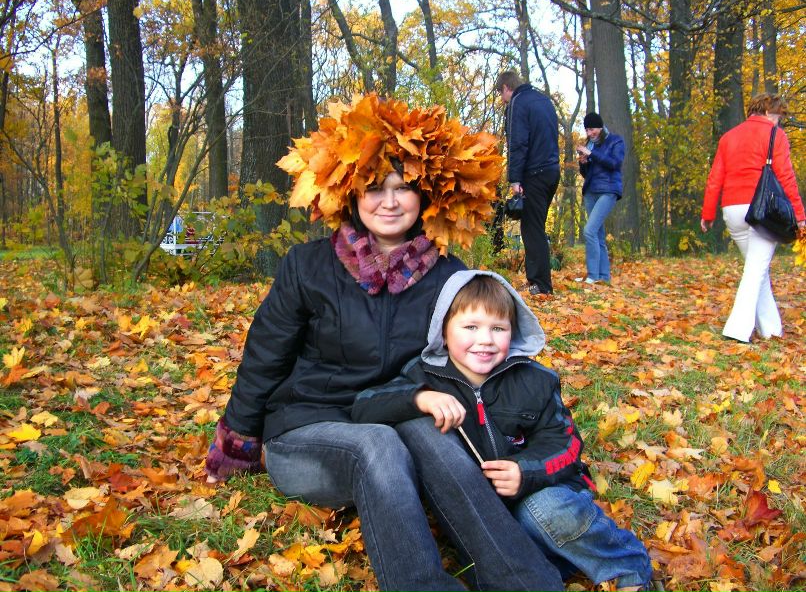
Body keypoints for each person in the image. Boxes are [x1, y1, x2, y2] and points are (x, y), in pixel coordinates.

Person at [204, 94, 564, 592]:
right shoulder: (307, 266)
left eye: (404, 188)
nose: (389, 202)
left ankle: (525, 581)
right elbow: (265, 355)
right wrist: (238, 442)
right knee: (379, 441)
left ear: (427, 196)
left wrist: (523, 449)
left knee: (416, 433)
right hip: (308, 430)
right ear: (349, 193)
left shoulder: (449, 278)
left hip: (402, 420)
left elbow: (478, 364)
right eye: (374, 187)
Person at [353, 270, 654, 591]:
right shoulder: (423, 375)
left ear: (513, 331)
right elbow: (364, 405)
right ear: (444, 329)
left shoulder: (534, 380)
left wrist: (526, 471)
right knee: (501, 543)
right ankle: (555, 562)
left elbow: (566, 444)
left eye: (498, 328)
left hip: (541, 491)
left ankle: (626, 565)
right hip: (484, 511)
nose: (485, 340)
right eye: (470, 327)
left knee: (545, 512)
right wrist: (419, 397)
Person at [701, 93, 805, 343]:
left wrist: (708, 213)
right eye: (779, 116)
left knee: (757, 269)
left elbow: (715, 177)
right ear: (771, 113)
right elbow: (786, 177)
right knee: (754, 271)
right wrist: (800, 215)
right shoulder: (775, 135)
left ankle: (771, 330)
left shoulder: (728, 137)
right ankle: (737, 329)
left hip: (732, 210)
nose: (779, 122)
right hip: (762, 211)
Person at [495, 70, 560, 296]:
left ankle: (540, 285)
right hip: (552, 170)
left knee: (531, 229)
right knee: (537, 227)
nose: (502, 100)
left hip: (535, 172)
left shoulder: (518, 103)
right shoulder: (543, 100)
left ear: (506, 88)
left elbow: (518, 143)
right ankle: (540, 280)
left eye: (501, 94)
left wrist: (515, 178)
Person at [575, 112, 625, 284]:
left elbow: (615, 163)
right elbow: (587, 174)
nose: (590, 133)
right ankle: (604, 277)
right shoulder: (590, 144)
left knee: (589, 230)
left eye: (592, 129)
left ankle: (592, 276)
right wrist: (583, 164)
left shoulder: (615, 141)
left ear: (600, 127)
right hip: (591, 191)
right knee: (598, 234)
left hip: (608, 190)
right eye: (587, 130)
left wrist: (592, 154)